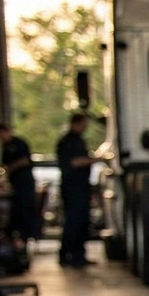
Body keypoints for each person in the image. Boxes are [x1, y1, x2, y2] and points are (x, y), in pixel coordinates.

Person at [55, 113, 95, 268]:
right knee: (73, 221)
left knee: (82, 222)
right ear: (76, 123)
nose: (85, 128)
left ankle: (79, 255)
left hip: (81, 186)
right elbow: (74, 162)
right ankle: (66, 254)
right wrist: (96, 159)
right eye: (84, 125)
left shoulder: (78, 140)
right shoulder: (67, 142)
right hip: (73, 187)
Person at [0, 123, 40, 247]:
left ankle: (29, 235)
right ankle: (15, 236)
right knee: (16, 209)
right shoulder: (5, 147)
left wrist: (10, 169)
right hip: (15, 184)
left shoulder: (19, 143)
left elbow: (24, 161)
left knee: (27, 208)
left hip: (25, 182)